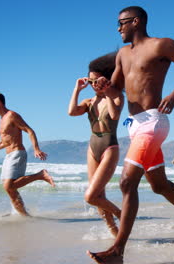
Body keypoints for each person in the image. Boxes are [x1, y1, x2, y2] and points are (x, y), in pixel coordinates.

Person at [87, 6, 174, 263]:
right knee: (159, 185)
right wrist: (104, 87)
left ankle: (117, 251)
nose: (118, 28)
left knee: (127, 183)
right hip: (135, 125)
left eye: (121, 23)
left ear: (136, 22)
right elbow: (116, 88)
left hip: (154, 121)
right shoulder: (122, 54)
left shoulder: (161, 45)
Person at [68, 53, 123, 236]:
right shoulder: (89, 101)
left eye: (95, 81)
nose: (92, 85)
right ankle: (115, 235)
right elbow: (71, 112)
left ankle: (120, 214)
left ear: (105, 79)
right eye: (90, 82)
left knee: (90, 196)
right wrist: (77, 90)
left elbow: (114, 115)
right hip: (92, 147)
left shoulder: (115, 96)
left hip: (109, 147)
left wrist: (107, 91)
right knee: (99, 197)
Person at [0, 92, 55, 216]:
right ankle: (24, 216)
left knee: (9, 186)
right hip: (8, 156)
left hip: (17, 153)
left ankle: (40, 175)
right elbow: (4, 142)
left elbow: (30, 131)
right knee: (10, 190)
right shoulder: (2, 119)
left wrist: (36, 148)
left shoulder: (12, 115)